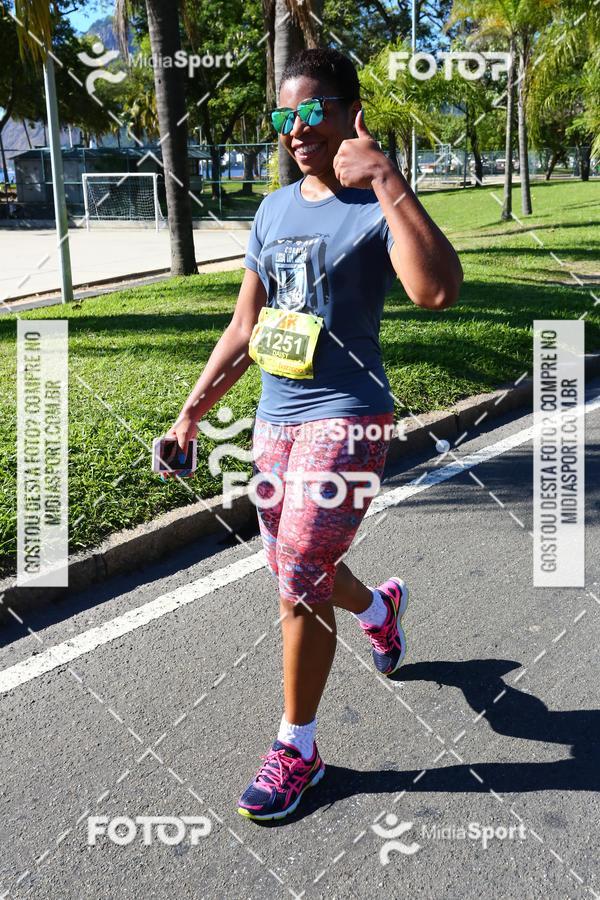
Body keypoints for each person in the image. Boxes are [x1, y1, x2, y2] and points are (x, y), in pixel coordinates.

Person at [165, 47, 462, 822]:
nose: (295, 128)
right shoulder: (273, 211)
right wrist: (192, 411)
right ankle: (379, 610)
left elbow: (436, 290)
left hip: (351, 415)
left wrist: (388, 177)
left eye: (311, 111)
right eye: (282, 115)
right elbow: (247, 325)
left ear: (349, 113)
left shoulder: (375, 203)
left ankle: (298, 749)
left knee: (298, 566)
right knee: (298, 564)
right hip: (277, 418)